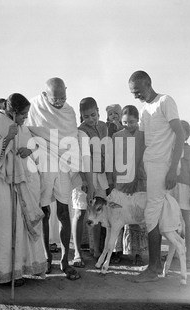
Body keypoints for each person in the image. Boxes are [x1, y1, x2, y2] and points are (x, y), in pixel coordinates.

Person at [0, 93, 47, 287]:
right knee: (4, 228)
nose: (25, 118)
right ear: (13, 112)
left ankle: (19, 269)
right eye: (23, 114)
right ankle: (4, 272)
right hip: (0, 185)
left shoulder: (21, 126)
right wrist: (6, 140)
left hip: (20, 184)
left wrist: (28, 150)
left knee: (19, 226)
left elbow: (32, 144)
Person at [26, 78, 95, 280]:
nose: (59, 102)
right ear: (45, 95)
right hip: (44, 165)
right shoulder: (35, 107)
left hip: (63, 166)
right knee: (45, 212)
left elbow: (71, 139)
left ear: (67, 92)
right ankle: (47, 258)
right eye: (55, 99)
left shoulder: (69, 112)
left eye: (63, 97)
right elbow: (29, 131)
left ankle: (65, 259)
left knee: (65, 213)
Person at [128, 70, 185, 282]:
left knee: (151, 213)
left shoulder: (165, 101)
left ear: (148, 84)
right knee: (154, 212)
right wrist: (136, 168)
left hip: (163, 166)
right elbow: (141, 141)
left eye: (138, 91)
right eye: (133, 93)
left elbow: (179, 134)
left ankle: (153, 268)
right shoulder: (144, 110)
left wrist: (172, 169)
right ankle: (155, 264)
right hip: (149, 166)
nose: (136, 96)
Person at [71, 97, 109, 267]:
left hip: (100, 174)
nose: (91, 119)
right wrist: (85, 180)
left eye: (93, 114)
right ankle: (78, 253)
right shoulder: (79, 131)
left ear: (98, 111)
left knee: (97, 212)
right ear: (81, 116)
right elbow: (77, 158)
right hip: (84, 176)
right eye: (86, 116)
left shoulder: (103, 127)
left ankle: (96, 249)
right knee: (80, 212)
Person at [109, 105, 148, 265]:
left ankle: (137, 252)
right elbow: (112, 161)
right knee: (119, 214)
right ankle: (116, 251)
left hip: (139, 182)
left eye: (132, 122)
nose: (128, 125)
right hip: (121, 183)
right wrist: (112, 181)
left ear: (138, 120)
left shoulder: (144, 136)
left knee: (136, 215)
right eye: (125, 122)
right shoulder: (116, 136)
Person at [171, 120, 190, 268]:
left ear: (187, 135)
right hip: (172, 189)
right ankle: (173, 253)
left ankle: (188, 256)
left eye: (183, 133)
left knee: (186, 222)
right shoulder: (170, 149)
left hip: (185, 190)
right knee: (172, 222)